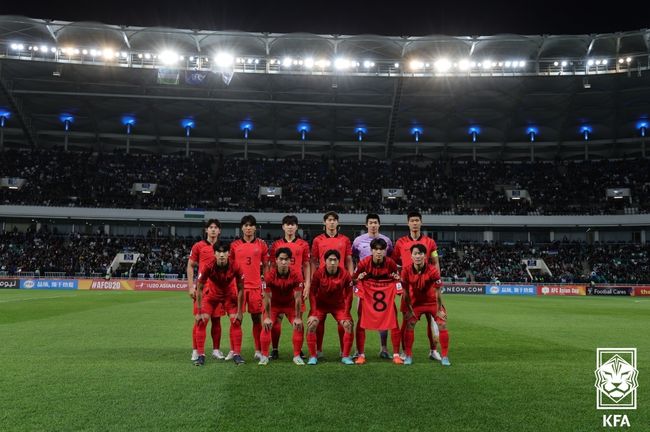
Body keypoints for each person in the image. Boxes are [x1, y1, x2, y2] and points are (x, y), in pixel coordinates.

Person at [393, 210, 442, 361]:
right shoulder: (400, 242)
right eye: (412, 220)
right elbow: (395, 263)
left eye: (417, 220)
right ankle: (404, 351)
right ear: (408, 223)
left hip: (428, 287)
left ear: (421, 222)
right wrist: (399, 284)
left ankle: (433, 350)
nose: (414, 223)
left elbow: (435, 262)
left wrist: (437, 282)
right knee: (407, 320)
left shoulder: (430, 242)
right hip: (409, 288)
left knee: (431, 319)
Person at [310, 211, 353, 358]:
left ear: (338, 223)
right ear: (324, 223)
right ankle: (319, 350)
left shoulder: (345, 240)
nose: (332, 222)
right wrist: (313, 279)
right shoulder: (317, 240)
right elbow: (314, 261)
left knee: (343, 320)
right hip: (322, 284)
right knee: (319, 321)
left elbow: (348, 259)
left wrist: (351, 277)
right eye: (329, 220)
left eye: (334, 220)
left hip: (340, 283)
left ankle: (343, 350)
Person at [353, 238, 403, 365]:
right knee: (361, 323)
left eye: (381, 249)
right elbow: (353, 280)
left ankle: (396, 354)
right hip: (367, 296)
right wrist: (358, 278)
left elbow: (398, 279)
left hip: (385, 296)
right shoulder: (364, 263)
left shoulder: (391, 263)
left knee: (394, 322)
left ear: (385, 251)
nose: (379, 252)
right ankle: (361, 354)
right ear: (371, 251)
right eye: (376, 249)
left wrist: (398, 280)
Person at [194, 242, 245, 366]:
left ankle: (237, 354)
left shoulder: (236, 266)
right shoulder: (208, 266)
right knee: (201, 321)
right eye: (219, 252)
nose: (222, 255)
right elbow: (199, 288)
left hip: (229, 295)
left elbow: (241, 289)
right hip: (212, 295)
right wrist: (199, 311)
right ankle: (200, 355)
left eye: (224, 252)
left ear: (229, 253)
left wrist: (240, 311)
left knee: (236, 321)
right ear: (214, 253)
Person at [352, 213, 394, 359]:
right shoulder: (358, 241)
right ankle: (359, 350)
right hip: (364, 284)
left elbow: (390, 260)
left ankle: (384, 348)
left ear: (379, 224)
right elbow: (353, 258)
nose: (373, 225)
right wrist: (357, 278)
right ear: (366, 225)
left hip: (383, 285)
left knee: (384, 316)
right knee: (360, 315)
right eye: (371, 222)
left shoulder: (387, 241)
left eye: (375, 222)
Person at [401, 244, 451, 366]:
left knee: (442, 324)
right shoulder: (406, 271)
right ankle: (408, 355)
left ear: (425, 256)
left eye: (420, 254)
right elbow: (406, 292)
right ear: (411, 256)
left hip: (432, 302)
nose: (418, 256)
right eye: (415, 254)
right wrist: (409, 308)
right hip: (416, 303)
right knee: (410, 324)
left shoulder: (433, 270)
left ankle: (444, 356)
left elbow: (438, 292)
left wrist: (440, 309)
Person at [268, 215, 310, 359]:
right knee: (276, 320)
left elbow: (305, 265)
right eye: (287, 224)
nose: (290, 227)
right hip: (279, 287)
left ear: (296, 227)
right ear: (283, 227)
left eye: (292, 224)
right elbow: (272, 266)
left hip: (296, 286)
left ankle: (298, 350)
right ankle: (274, 349)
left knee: (298, 319)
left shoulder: (303, 244)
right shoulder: (276, 245)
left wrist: (307, 284)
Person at [231, 215, 269, 361]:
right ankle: (236, 351)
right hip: (238, 288)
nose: (248, 228)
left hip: (255, 287)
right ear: (242, 228)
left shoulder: (262, 244)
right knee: (236, 319)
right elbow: (231, 267)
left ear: (255, 228)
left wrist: (265, 285)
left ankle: (258, 350)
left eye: (251, 225)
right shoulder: (234, 245)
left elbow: (266, 266)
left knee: (256, 319)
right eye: (245, 225)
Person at [306, 250, 355, 365]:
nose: (332, 263)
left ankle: (345, 355)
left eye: (335, 260)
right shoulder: (318, 274)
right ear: (325, 261)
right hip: (320, 305)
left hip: (338, 306)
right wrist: (313, 312)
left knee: (348, 324)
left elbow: (349, 295)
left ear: (339, 262)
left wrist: (347, 313)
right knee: (312, 324)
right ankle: (314, 356)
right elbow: (312, 293)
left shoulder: (345, 274)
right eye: (330, 260)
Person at [259, 248, 305, 366]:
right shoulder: (269, 276)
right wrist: (267, 317)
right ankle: (264, 356)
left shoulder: (297, 275)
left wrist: (298, 317)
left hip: (290, 305)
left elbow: (298, 298)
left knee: (299, 325)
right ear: (276, 260)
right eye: (281, 259)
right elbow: (267, 298)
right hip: (274, 305)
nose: (283, 262)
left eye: (286, 259)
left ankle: (296, 356)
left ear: (290, 261)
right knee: (267, 325)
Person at [187, 219, 225, 362]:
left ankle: (216, 350)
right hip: (203, 289)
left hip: (219, 290)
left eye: (216, 227)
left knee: (217, 320)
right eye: (211, 227)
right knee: (200, 321)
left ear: (219, 231)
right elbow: (190, 265)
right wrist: (191, 286)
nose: (213, 230)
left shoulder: (223, 248)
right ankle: (196, 351)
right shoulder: (198, 246)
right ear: (206, 230)